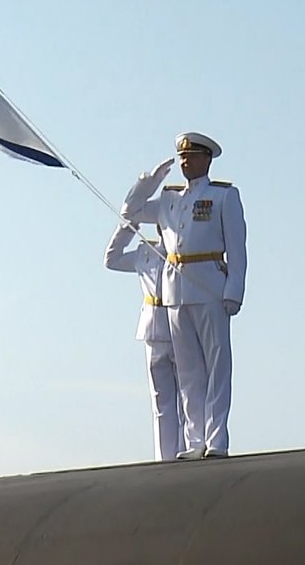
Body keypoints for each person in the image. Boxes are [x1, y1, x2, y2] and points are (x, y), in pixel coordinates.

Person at [122, 132, 247, 459]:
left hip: (209, 284)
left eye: (191, 156)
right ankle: (195, 440)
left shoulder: (223, 197)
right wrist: (149, 181)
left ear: (207, 159)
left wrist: (235, 289)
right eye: (181, 157)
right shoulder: (169, 198)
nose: (184, 162)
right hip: (175, 289)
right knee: (189, 370)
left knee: (217, 364)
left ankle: (216, 438)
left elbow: (237, 248)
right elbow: (130, 212)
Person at [102, 214, 183, 462]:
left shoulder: (185, 253)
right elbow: (111, 259)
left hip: (180, 328)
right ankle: (164, 457)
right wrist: (129, 225)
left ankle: (186, 452)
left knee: (186, 398)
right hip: (152, 330)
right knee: (161, 401)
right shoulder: (144, 253)